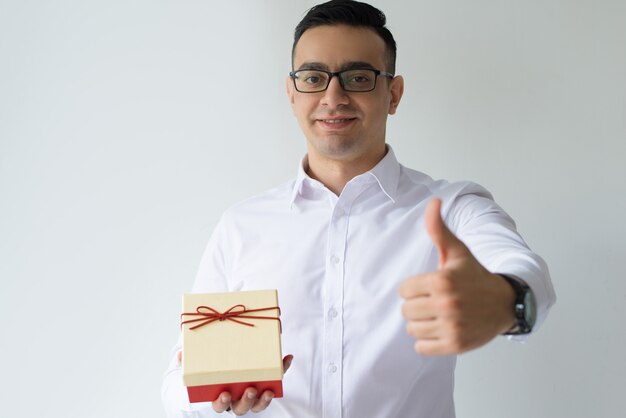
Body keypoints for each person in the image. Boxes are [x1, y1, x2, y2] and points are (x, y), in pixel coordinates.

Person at [161, 1, 556, 417]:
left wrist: (505, 303)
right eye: (314, 77)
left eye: (357, 77)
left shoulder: (452, 210)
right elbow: (176, 383)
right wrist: (215, 403)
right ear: (292, 93)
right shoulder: (241, 226)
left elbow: (528, 273)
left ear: (394, 93)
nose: (334, 96)